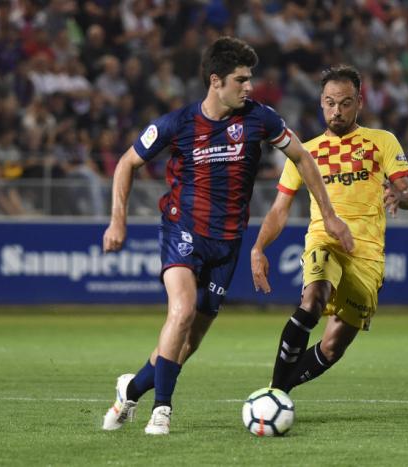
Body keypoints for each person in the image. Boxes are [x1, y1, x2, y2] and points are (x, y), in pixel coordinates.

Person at [101, 37, 354, 436]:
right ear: (215, 81)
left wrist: (330, 215)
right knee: (181, 312)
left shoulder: (260, 119)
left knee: (188, 343)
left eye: (250, 79)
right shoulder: (177, 123)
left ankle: (130, 390)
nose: (249, 87)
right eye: (241, 79)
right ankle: (162, 411)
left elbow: (303, 157)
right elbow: (126, 163)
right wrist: (118, 221)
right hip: (182, 230)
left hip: (227, 243)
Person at [250, 65, 408, 394]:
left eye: (345, 102)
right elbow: (279, 209)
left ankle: (278, 390)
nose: (336, 110)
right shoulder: (304, 152)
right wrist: (258, 248)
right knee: (313, 299)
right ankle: (274, 396)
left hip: (366, 256)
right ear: (320, 103)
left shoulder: (380, 141)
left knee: (331, 347)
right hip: (324, 242)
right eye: (329, 102)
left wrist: (400, 195)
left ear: (359, 103)